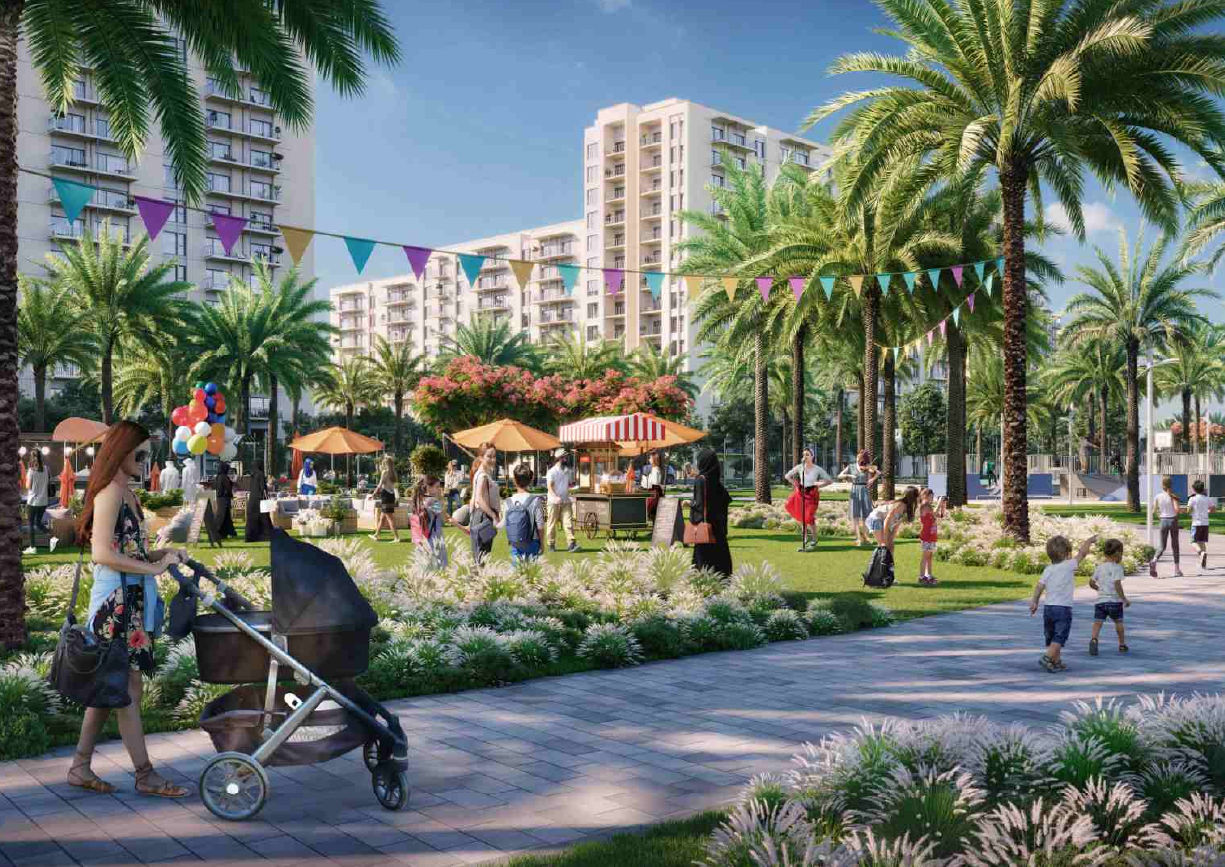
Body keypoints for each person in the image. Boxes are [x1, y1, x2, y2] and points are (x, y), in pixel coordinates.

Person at [69, 420, 189, 798]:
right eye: (139, 453)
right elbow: (102, 553)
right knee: (127, 688)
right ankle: (144, 774)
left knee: (111, 685)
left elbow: (129, 551)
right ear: (121, 453)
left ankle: (79, 766)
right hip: (116, 605)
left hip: (130, 601)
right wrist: (152, 567)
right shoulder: (109, 494)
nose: (145, 459)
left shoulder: (128, 493)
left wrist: (164, 555)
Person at [1029, 533, 1097, 673]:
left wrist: (1034, 601)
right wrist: (1089, 540)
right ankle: (1047, 657)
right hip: (1063, 609)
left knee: (1053, 636)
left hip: (1048, 608)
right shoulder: (1069, 565)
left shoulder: (1048, 569)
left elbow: (1039, 586)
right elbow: (1082, 553)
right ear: (1066, 553)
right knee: (1060, 637)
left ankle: (1056, 662)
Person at [690, 448, 732, 577]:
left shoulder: (700, 480)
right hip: (718, 528)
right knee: (720, 561)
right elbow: (726, 500)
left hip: (705, 529)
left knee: (703, 562)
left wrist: (692, 511)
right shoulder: (716, 481)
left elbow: (699, 505)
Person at [784, 446, 832, 552]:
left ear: (812, 456)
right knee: (803, 517)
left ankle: (814, 538)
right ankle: (805, 538)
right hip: (801, 493)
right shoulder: (800, 467)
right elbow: (787, 476)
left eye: (807, 454)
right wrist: (796, 484)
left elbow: (829, 480)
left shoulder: (817, 469)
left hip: (812, 494)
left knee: (809, 517)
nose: (805, 456)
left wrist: (819, 485)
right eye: (804, 454)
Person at [1089, 538, 1130, 656]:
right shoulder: (1118, 568)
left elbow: (1091, 583)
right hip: (1114, 601)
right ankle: (1122, 644)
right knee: (1118, 622)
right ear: (1118, 553)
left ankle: (1094, 639)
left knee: (1097, 623)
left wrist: (1099, 589)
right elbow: (1117, 585)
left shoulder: (1099, 567)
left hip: (1100, 601)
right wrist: (1124, 599)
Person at [502, 463, 545, 564]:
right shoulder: (535, 500)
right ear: (530, 480)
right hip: (532, 541)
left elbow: (505, 523)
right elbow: (540, 525)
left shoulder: (508, 502)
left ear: (514, 480)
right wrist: (542, 543)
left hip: (515, 542)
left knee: (518, 575)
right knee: (532, 574)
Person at [840, 450, 879, 546]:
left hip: (864, 490)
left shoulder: (866, 467)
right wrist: (849, 475)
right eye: (857, 457)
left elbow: (878, 472)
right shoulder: (851, 467)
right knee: (856, 515)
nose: (858, 459)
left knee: (866, 515)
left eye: (860, 458)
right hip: (855, 490)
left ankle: (866, 537)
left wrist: (872, 479)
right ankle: (859, 538)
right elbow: (839, 475)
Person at [865, 486, 920, 554]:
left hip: (883, 522)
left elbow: (896, 525)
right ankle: (880, 563)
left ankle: (889, 564)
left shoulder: (906, 508)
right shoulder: (899, 505)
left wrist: (891, 539)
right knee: (883, 545)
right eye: (918, 495)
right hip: (875, 519)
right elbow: (887, 520)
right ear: (912, 497)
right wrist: (886, 537)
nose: (919, 497)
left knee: (890, 546)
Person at [469, 445, 500, 563]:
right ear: (481, 457)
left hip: (481, 516)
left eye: (494, 456)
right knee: (481, 558)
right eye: (489, 456)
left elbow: (473, 500)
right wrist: (493, 515)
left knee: (482, 557)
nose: (492, 459)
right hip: (483, 517)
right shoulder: (482, 475)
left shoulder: (484, 473)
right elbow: (479, 499)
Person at [1148, 475, 1183, 578]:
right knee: (1175, 545)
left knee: (1162, 546)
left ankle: (1154, 560)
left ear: (1162, 485)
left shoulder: (1158, 496)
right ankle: (1177, 570)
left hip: (1163, 521)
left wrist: (1160, 517)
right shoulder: (1173, 496)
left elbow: (1154, 510)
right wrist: (1180, 512)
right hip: (1173, 521)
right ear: (1171, 485)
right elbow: (1176, 510)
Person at [411, 475, 448, 569]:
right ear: (428, 487)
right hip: (433, 537)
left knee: (424, 567)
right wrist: (441, 498)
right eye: (437, 487)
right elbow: (444, 518)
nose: (439, 489)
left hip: (422, 537)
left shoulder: (420, 500)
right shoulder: (433, 501)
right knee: (436, 567)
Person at [546, 453, 578, 553]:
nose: (566, 459)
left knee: (568, 522)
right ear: (559, 458)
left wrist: (573, 489)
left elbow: (568, 485)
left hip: (565, 500)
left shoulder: (567, 471)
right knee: (551, 524)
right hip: (553, 502)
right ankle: (551, 544)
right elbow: (549, 486)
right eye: (565, 457)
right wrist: (555, 497)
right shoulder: (552, 472)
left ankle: (571, 543)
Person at [917, 489, 947, 586]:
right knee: (925, 556)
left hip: (932, 535)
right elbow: (934, 513)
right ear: (926, 495)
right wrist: (939, 502)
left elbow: (941, 515)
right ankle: (922, 577)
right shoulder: (925, 505)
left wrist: (943, 505)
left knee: (929, 557)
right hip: (926, 535)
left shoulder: (929, 506)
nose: (932, 498)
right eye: (931, 496)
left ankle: (928, 575)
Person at [1187, 479, 1215, 572]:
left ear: (1194, 489)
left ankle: (1201, 553)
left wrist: (1190, 511)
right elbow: (1213, 510)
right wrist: (1207, 511)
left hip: (1196, 523)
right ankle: (1204, 563)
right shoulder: (1207, 498)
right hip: (1205, 523)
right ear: (1203, 489)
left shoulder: (1192, 499)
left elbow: (1188, 510)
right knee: (1202, 542)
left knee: (1193, 541)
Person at [24, 451, 49, 553]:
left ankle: (32, 547)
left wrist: (27, 481)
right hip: (43, 501)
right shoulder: (46, 469)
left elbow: (28, 486)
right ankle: (52, 536)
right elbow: (47, 482)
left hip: (33, 501)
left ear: (32, 458)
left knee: (30, 524)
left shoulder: (31, 471)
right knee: (38, 523)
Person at [371, 455, 401, 542]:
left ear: (385, 463)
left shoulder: (385, 472)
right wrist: (397, 496)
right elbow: (395, 486)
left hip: (385, 496)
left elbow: (380, 485)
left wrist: (373, 493)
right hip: (391, 496)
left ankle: (396, 537)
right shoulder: (394, 473)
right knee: (382, 517)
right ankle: (376, 535)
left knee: (389, 518)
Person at [244, 463, 274, 543]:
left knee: (252, 520)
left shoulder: (253, 475)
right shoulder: (260, 474)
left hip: (252, 500)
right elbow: (262, 487)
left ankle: (250, 536)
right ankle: (266, 535)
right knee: (264, 518)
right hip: (260, 500)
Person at [213, 461, 236, 539]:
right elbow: (228, 488)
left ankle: (226, 532)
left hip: (220, 498)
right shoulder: (224, 477)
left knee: (226, 516)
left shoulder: (218, 477)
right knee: (222, 516)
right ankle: (216, 531)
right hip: (224, 499)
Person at [645, 452, 666, 521]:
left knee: (653, 512)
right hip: (655, 492)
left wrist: (646, 481)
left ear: (653, 459)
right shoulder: (655, 469)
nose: (649, 459)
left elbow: (655, 482)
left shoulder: (655, 469)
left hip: (654, 493)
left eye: (650, 458)